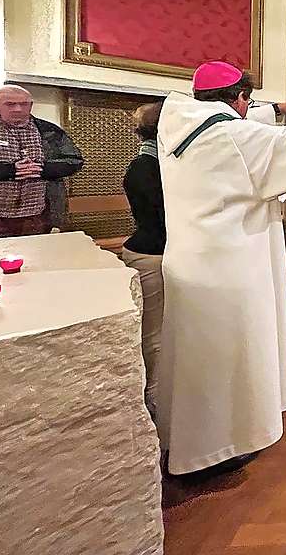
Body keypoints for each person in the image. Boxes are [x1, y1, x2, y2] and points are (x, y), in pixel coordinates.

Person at [155, 60, 286, 475]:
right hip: (231, 266)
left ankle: (189, 438)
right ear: (240, 98)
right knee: (230, 352)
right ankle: (219, 446)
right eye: (251, 100)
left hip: (192, 257)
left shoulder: (177, 124)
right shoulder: (232, 135)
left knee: (197, 353)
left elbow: (246, 129)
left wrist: (280, 108)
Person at [120, 101, 166, 421]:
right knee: (156, 333)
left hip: (156, 250)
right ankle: (157, 400)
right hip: (151, 254)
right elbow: (161, 217)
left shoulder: (153, 162)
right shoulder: (146, 167)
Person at [0, 85, 84, 237]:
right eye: (10, 104)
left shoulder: (50, 131)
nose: (17, 109)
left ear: (31, 105)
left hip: (39, 214)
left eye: (23, 104)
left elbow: (75, 161)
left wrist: (42, 169)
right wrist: (11, 170)